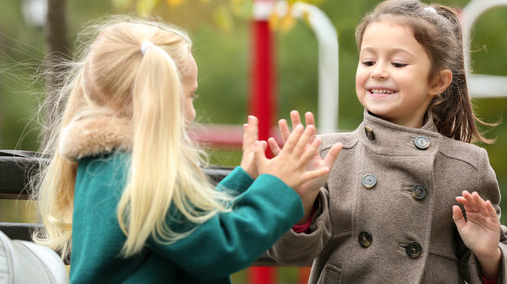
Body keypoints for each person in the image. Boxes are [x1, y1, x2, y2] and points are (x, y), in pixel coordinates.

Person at [31, 16, 343, 284]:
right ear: (161, 94)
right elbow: (219, 248)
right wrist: (277, 186)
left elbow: (188, 229)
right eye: (190, 96)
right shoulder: (144, 173)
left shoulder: (108, 163)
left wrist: (245, 178)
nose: (193, 112)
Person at [267, 0, 507, 283]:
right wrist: (299, 201)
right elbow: (288, 254)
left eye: (398, 63)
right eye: (368, 61)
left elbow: (500, 268)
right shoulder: (328, 155)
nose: (378, 72)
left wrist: (488, 253)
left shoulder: (467, 165)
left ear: (437, 82)